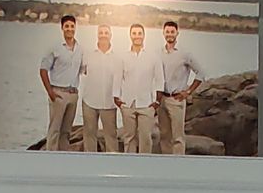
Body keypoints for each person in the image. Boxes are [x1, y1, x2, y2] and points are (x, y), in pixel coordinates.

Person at [156, 19, 205, 154]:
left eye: (172, 32)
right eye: (167, 32)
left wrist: (188, 91)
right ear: (163, 33)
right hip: (162, 100)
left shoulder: (185, 54)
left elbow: (201, 73)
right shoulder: (158, 53)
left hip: (176, 100)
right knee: (164, 135)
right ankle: (166, 164)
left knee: (178, 137)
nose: (170, 34)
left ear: (177, 33)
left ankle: (178, 164)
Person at [115, 22, 162, 154]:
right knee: (129, 138)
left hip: (146, 104)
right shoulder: (123, 57)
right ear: (130, 35)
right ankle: (129, 165)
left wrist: (156, 103)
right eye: (134, 33)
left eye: (139, 33)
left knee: (145, 138)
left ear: (144, 35)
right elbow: (117, 79)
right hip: (128, 104)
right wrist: (117, 100)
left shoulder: (153, 57)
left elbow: (160, 81)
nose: (137, 36)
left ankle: (144, 165)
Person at [39, 13, 83, 150]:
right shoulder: (55, 48)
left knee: (66, 131)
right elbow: (43, 70)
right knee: (54, 130)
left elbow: (83, 69)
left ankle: (65, 157)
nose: (69, 29)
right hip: (58, 93)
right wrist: (50, 92)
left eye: (72, 26)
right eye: (67, 26)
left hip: (73, 94)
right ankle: (50, 158)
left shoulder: (80, 49)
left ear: (75, 28)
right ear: (62, 28)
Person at [79, 24, 120, 151]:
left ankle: (112, 164)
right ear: (97, 35)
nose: (103, 35)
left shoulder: (117, 57)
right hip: (89, 102)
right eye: (101, 33)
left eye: (106, 33)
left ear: (110, 35)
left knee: (111, 136)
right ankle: (90, 164)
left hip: (109, 104)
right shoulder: (87, 55)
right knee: (89, 135)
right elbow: (80, 71)